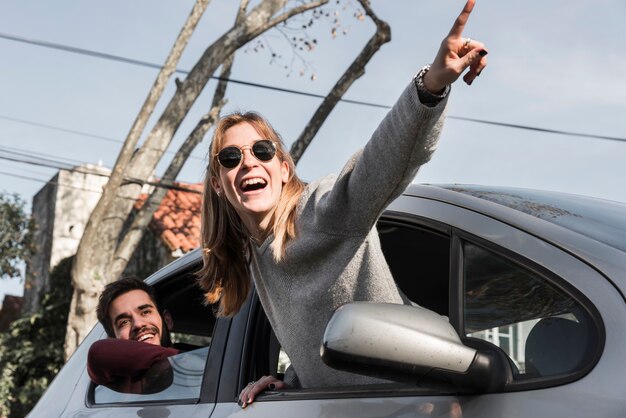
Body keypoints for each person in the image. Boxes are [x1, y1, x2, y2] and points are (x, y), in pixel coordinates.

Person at [198, 0, 488, 408]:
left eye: (261, 151)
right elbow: (327, 339)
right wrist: (295, 380)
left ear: (283, 168)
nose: (248, 162)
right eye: (231, 158)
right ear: (218, 183)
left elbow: (379, 165)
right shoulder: (254, 256)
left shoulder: (322, 211)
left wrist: (431, 85)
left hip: (416, 406)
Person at [87, 276, 179, 394]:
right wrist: (181, 358)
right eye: (124, 322)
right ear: (114, 341)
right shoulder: (124, 380)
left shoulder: (200, 354)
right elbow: (97, 352)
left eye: (145, 312)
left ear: (167, 320)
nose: (138, 324)